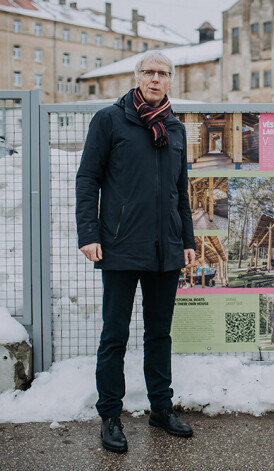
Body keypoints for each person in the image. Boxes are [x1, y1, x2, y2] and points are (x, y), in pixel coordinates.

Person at [76, 51, 195, 453]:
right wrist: (88, 233)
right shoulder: (110, 120)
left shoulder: (175, 128)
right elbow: (88, 178)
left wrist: (189, 241)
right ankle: (110, 414)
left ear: (171, 80)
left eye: (163, 73)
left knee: (159, 334)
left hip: (166, 250)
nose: (155, 79)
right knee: (115, 334)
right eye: (149, 72)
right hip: (121, 246)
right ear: (137, 77)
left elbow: (181, 192)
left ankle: (161, 408)